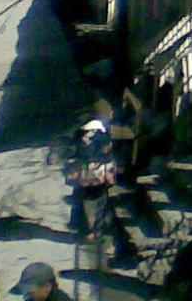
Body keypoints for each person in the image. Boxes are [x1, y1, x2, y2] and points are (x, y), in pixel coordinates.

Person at [65, 99, 135, 267]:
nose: (112, 115)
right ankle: (95, 231)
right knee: (99, 203)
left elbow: (76, 150)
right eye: (110, 113)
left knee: (90, 202)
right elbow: (111, 143)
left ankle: (89, 230)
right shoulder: (101, 129)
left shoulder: (85, 129)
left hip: (88, 175)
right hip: (97, 174)